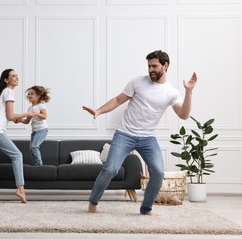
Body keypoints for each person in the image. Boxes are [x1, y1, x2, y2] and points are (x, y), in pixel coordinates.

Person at [82, 50, 197, 215]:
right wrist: (99, 111)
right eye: (149, 66)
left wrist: (189, 92)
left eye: (154, 66)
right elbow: (117, 100)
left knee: (157, 172)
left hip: (147, 138)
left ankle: (146, 208)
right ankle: (93, 202)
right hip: (124, 134)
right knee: (111, 169)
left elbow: (184, 115)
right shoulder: (137, 82)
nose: (151, 69)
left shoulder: (172, 92)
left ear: (165, 66)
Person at [0, 69, 34, 203]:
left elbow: (7, 116)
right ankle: (20, 189)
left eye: (17, 76)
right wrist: (28, 114)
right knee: (17, 155)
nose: (16, 78)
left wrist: (17, 119)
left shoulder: (1, 92)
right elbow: (10, 115)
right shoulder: (9, 91)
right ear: (6, 80)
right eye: (13, 76)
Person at [16, 86, 50, 166]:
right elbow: (27, 121)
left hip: (42, 129)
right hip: (34, 131)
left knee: (34, 147)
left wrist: (36, 113)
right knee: (31, 149)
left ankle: (39, 166)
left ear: (38, 96)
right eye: (28, 94)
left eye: (32, 94)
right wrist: (20, 120)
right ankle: (36, 165)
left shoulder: (41, 105)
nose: (29, 95)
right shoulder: (30, 109)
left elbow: (44, 116)